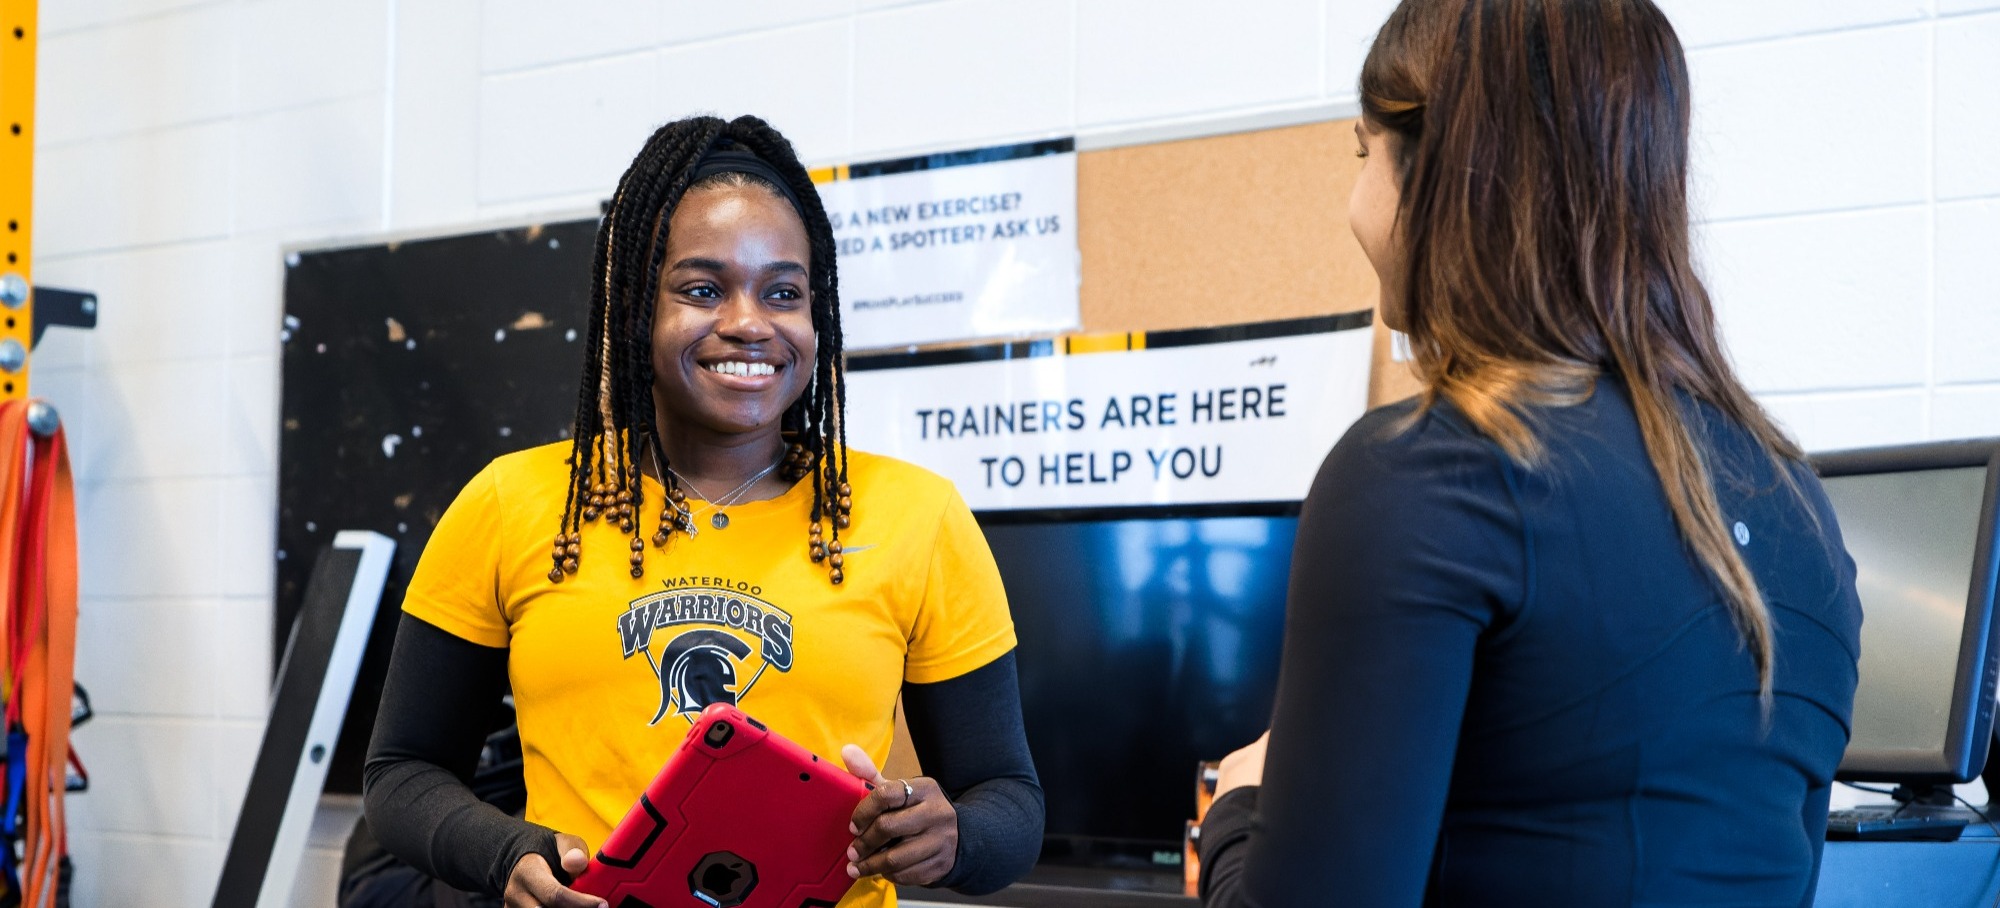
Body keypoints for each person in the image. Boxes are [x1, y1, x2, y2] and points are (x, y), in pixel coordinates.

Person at [1197, 1, 1861, 906]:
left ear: (1432, 174)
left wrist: (1239, 809)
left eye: (1364, 154)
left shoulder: (1429, 475)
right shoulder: (1798, 507)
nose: (1354, 202)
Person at [362, 114, 1043, 908]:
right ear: (633, 309)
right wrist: (505, 853)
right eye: (702, 288)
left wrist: (951, 836)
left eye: (783, 291)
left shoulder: (918, 515)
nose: (749, 322)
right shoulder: (511, 502)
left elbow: (1010, 801)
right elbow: (402, 772)